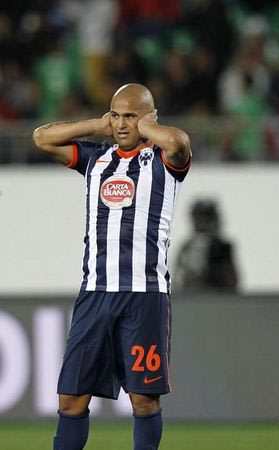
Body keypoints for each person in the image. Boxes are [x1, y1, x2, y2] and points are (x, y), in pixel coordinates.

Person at [33, 83, 191, 450]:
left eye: (131, 116)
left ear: (151, 118)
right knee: (71, 398)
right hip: (95, 293)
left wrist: (145, 127)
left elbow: (179, 143)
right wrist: (97, 125)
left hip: (144, 296)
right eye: (117, 114)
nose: (122, 124)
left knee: (143, 399)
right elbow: (42, 138)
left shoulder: (165, 161)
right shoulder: (95, 158)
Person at [174, 199, 238, 293]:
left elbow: (232, 280)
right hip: (191, 296)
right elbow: (178, 278)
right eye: (198, 218)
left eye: (206, 218)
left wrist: (211, 274)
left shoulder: (222, 247)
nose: (201, 222)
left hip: (216, 297)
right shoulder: (187, 247)